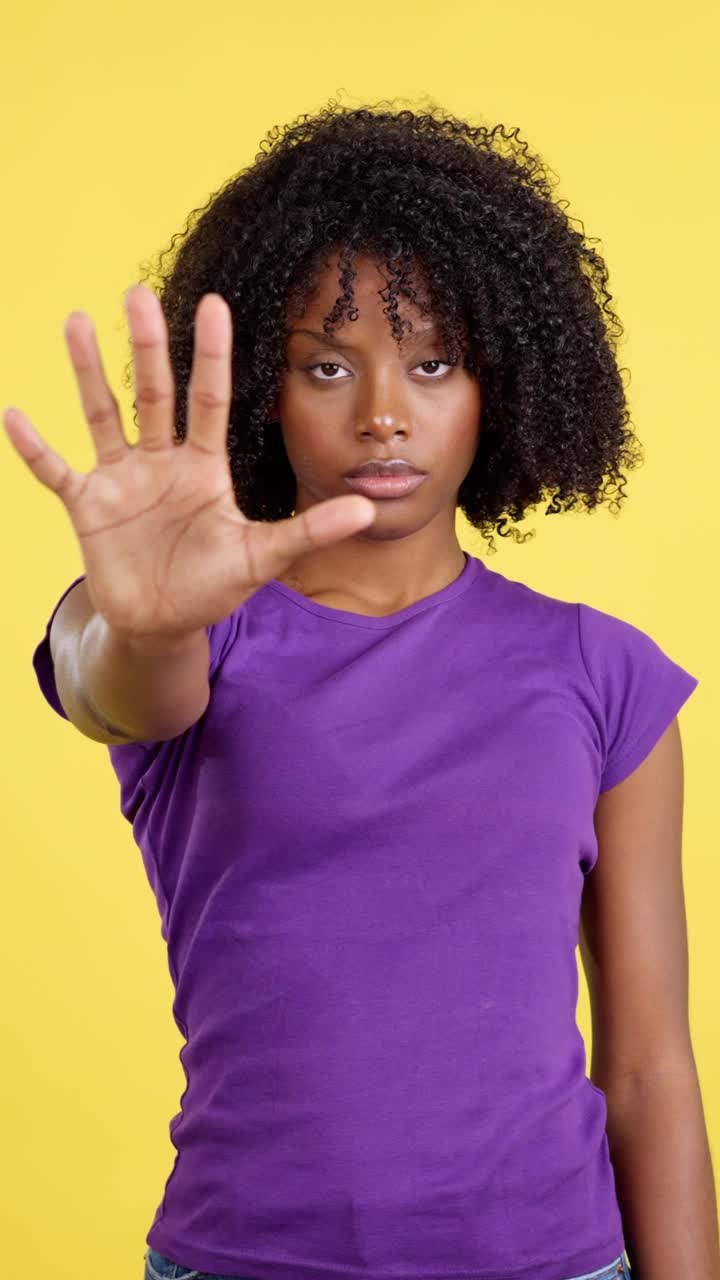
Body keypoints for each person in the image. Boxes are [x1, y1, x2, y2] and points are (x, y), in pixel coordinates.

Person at [5, 100, 709, 1280]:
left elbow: (649, 1065)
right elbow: (113, 685)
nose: (384, 411)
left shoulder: (605, 674)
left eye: (434, 362)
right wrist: (136, 614)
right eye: (327, 366)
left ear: (507, 383)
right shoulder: (195, 637)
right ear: (270, 396)